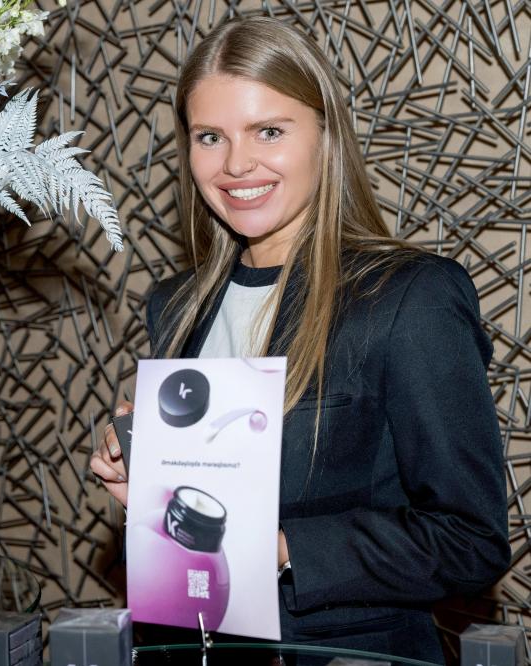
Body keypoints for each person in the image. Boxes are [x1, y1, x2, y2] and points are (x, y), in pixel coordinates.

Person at [90, 16, 510, 662]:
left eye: (269, 131)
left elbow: (469, 542)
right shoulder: (174, 306)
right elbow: (202, 526)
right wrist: (148, 487)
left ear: (325, 135)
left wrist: (284, 548)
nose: (236, 163)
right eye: (210, 137)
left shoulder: (409, 298)